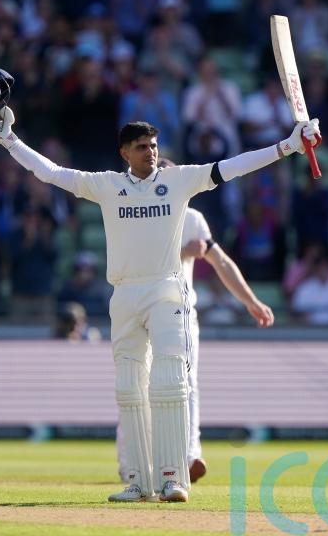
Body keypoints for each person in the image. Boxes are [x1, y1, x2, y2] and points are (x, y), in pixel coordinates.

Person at [0, 74, 319, 502]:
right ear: (124, 153)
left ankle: (173, 477)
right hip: (125, 293)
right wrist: (9, 140)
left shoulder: (178, 181)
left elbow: (234, 165)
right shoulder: (107, 186)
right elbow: (51, 173)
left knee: (170, 382)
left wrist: (287, 146)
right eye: (141, 147)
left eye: (154, 146)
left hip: (167, 291)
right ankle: (138, 480)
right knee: (129, 387)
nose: (151, 153)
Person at [116, 200, 275, 485]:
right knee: (137, 382)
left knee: (187, 383)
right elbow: (131, 261)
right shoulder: (135, 210)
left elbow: (221, 261)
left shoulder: (191, 218)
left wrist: (250, 301)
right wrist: (182, 252)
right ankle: (130, 462)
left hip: (180, 311)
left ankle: (189, 456)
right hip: (139, 308)